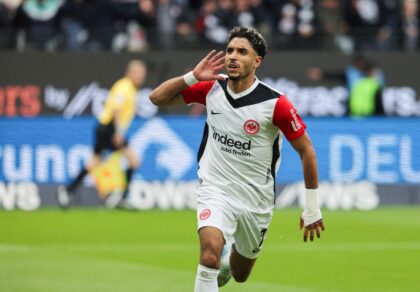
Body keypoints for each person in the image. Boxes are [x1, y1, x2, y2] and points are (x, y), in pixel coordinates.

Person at [149, 26, 325, 291]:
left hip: (256, 200)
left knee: (240, 274)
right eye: (230, 50)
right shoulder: (211, 89)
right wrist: (192, 76)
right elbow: (156, 98)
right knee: (209, 253)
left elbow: (307, 151)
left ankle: (227, 261)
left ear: (257, 61)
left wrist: (312, 207)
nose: (233, 56)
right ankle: (216, 257)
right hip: (215, 190)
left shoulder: (276, 104)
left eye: (242, 52)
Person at [57, 60, 146, 209]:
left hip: (106, 128)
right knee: (134, 160)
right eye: (137, 73)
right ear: (128, 73)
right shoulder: (124, 86)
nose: (139, 77)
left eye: (142, 74)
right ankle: (122, 197)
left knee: (95, 162)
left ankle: (67, 190)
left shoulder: (129, 88)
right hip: (109, 128)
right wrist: (118, 132)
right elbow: (116, 110)